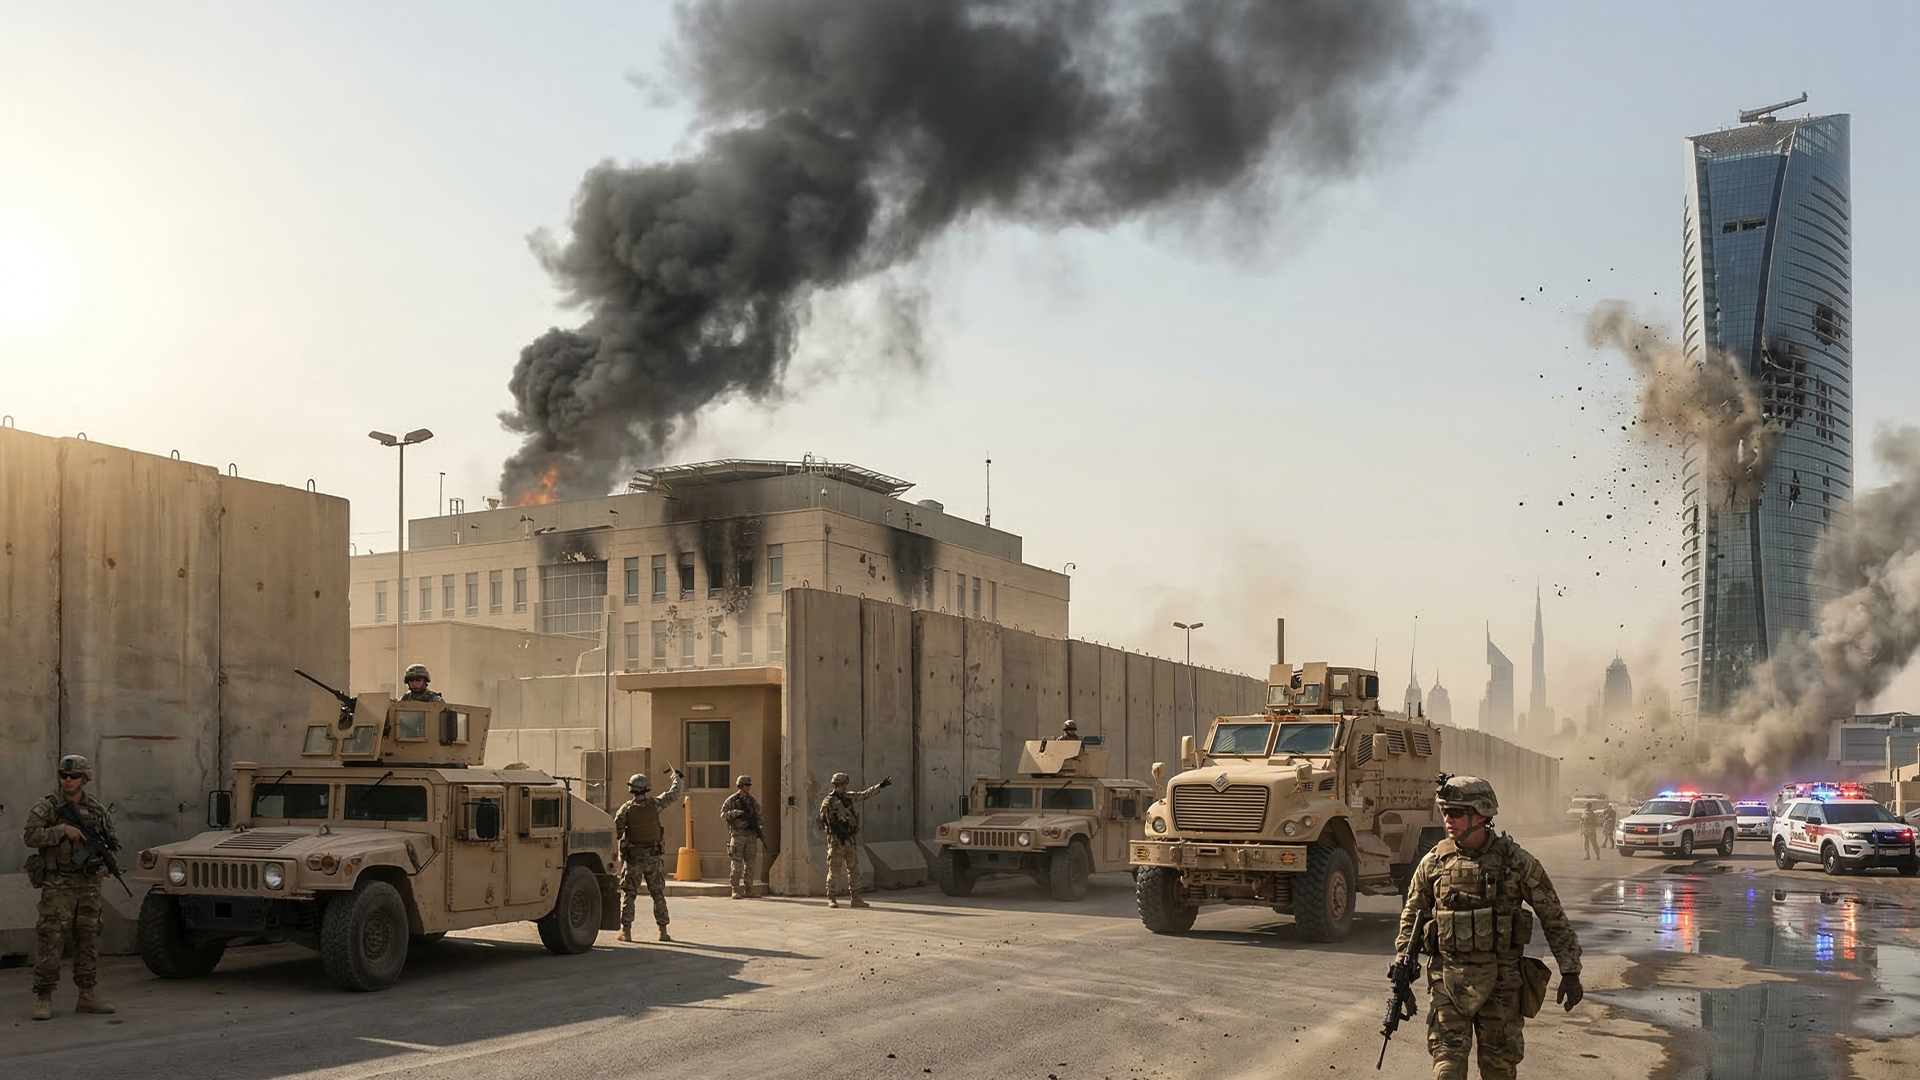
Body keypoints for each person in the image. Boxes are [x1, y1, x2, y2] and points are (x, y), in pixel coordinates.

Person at [1393, 775, 1582, 1080]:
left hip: (1502, 985)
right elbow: (1411, 917)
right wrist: (1403, 963)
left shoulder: (1516, 863)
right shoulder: (1434, 863)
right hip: (1449, 982)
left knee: (1499, 1072)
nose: (1447, 819)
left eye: (1456, 812)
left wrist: (1570, 970)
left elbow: (1553, 916)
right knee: (1446, 1071)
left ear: (1481, 814)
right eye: (1444, 811)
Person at [22, 754, 119, 1021]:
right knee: (51, 938)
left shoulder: (97, 810)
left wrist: (102, 862)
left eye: (73, 776)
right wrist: (62, 830)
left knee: (87, 939)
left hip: (88, 884)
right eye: (63, 776)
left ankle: (86, 995)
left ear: (84, 779)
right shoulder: (48, 807)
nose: (67, 780)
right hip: (58, 883)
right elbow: (30, 836)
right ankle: (44, 996)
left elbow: (113, 843)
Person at [613, 768, 683, 942]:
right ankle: (663, 931)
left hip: (634, 857)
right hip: (652, 856)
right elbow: (674, 794)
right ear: (646, 788)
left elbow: (617, 832)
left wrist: (620, 856)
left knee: (629, 894)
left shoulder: (625, 809)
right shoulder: (655, 804)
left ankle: (626, 931)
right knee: (657, 893)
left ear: (631, 788)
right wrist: (676, 778)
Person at [816, 771, 892, 909]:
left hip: (849, 840)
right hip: (836, 842)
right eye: (842, 785)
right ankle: (831, 897)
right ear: (836, 785)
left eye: (845, 784)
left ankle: (855, 898)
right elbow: (821, 820)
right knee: (834, 870)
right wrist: (832, 826)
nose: (844, 787)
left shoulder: (848, 797)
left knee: (854, 869)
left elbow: (864, 795)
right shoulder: (829, 801)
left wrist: (880, 786)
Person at [720, 775, 763, 900]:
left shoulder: (752, 800)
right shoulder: (732, 800)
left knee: (750, 864)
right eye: (746, 785)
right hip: (737, 835)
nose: (749, 787)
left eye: (750, 785)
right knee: (736, 864)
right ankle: (735, 889)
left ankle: (749, 889)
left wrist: (757, 829)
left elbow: (759, 817)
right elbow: (723, 814)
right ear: (740, 786)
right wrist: (737, 814)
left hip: (750, 835)